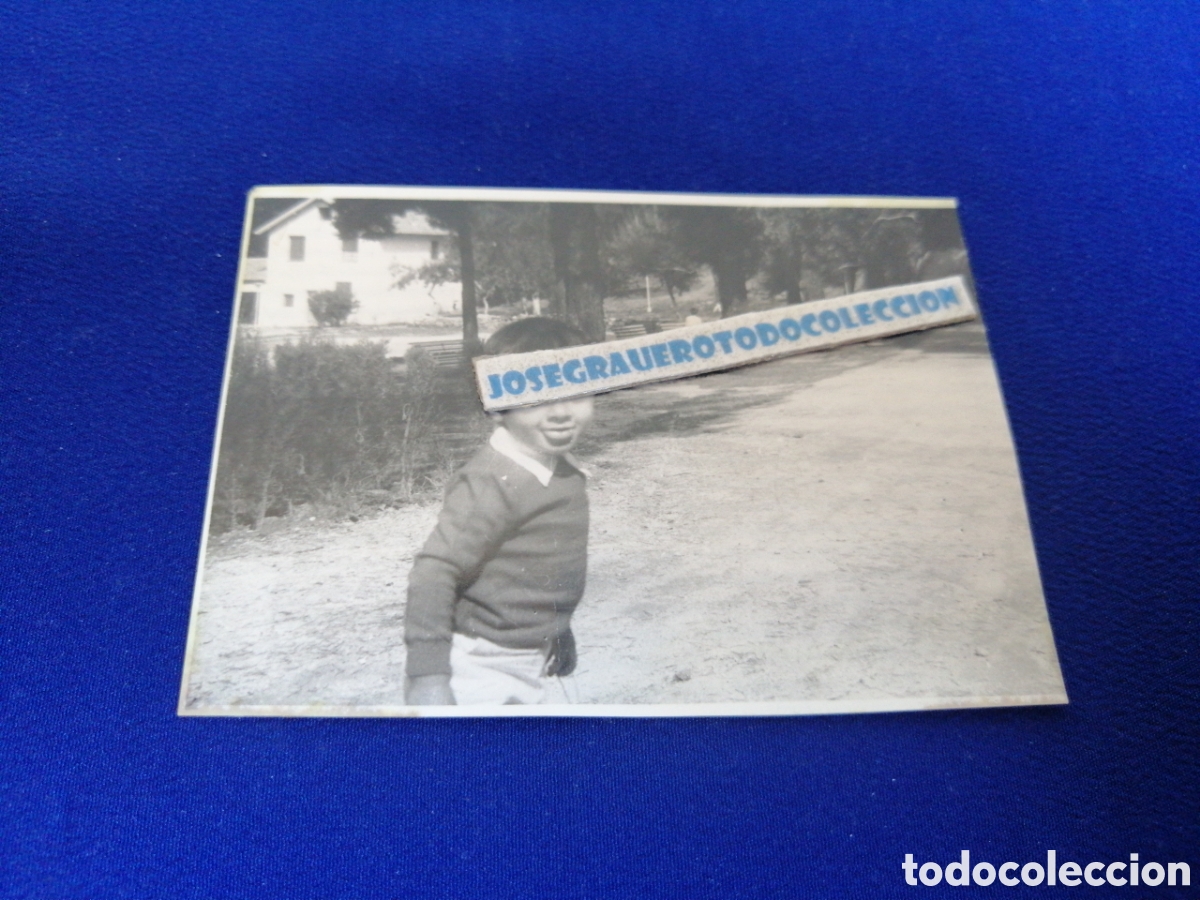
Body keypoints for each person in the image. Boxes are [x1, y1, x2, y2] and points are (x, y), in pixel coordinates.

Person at [404, 318, 595, 705]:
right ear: (496, 406)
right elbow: (435, 570)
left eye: (575, 393)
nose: (560, 413)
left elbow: (540, 567)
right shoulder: (493, 481)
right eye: (536, 397)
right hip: (482, 665)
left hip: (528, 653)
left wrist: (557, 628)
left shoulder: (559, 467)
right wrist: (428, 677)